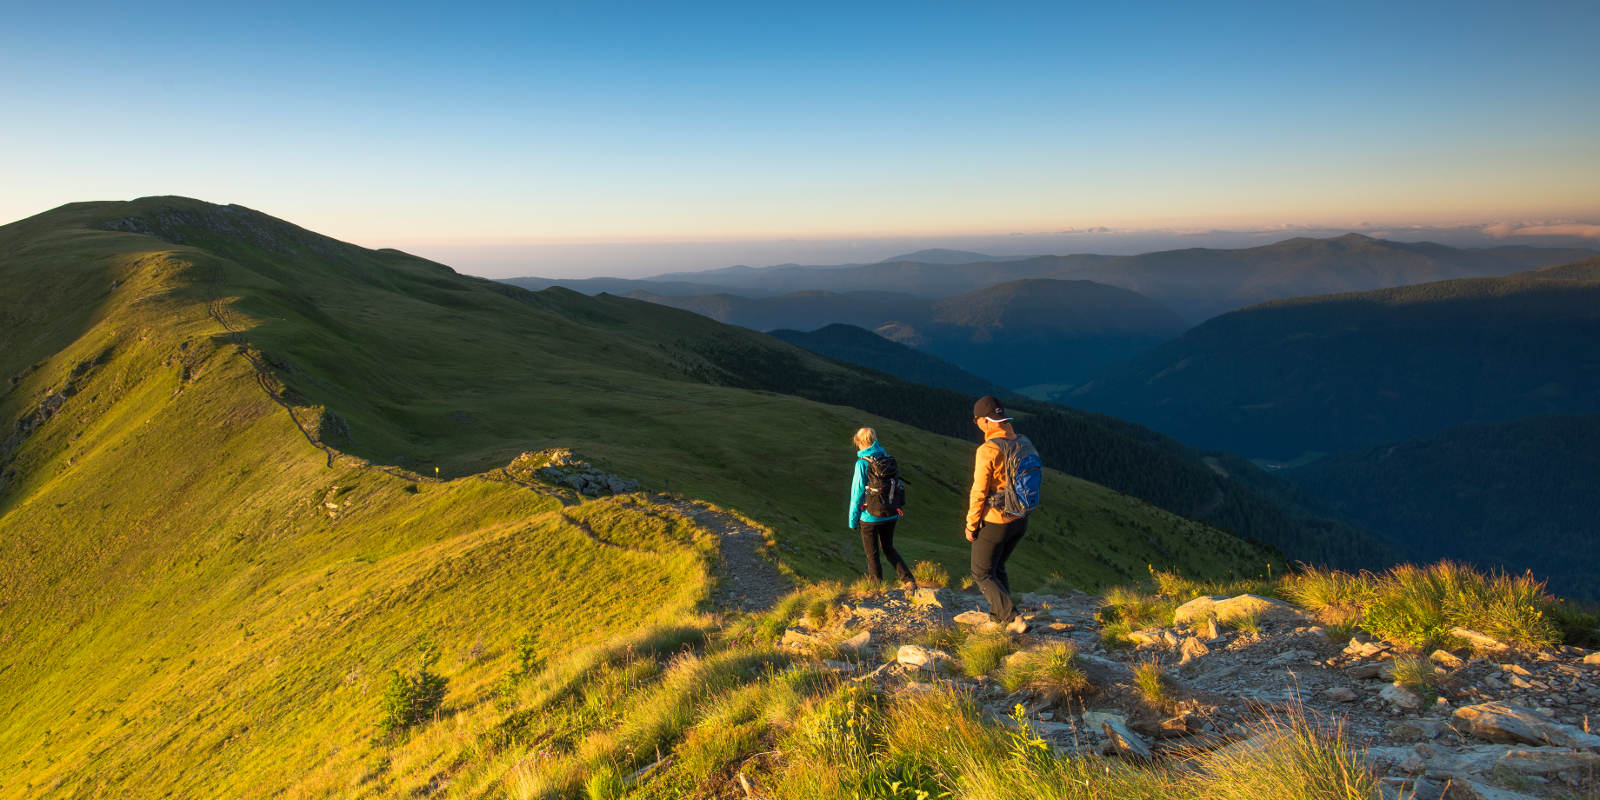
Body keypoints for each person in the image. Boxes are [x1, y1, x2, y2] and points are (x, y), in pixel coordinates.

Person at [964, 396, 1042, 634]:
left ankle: (1013, 618)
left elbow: (979, 491)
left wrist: (971, 525)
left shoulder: (988, 450)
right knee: (997, 568)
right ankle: (997, 620)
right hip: (1021, 518)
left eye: (978, 420)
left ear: (986, 421)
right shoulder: (1023, 441)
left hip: (997, 521)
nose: (977, 424)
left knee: (981, 572)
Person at [848, 427, 915, 588]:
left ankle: (877, 587)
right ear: (875, 439)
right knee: (888, 547)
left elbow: (857, 494)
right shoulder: (888, 458)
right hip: (891, 513)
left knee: (872, 554)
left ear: (859, 443)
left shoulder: (862, 464)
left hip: (869, 516)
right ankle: (908, 579)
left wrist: (853, 520)